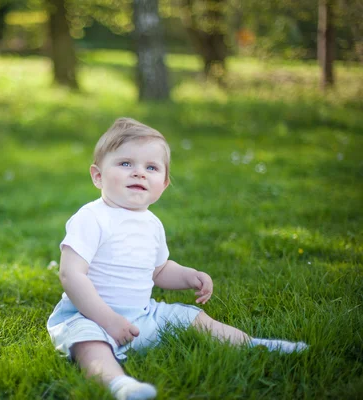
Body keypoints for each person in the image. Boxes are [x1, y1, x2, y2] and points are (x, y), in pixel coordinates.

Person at [46, 118, 308, 400]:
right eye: (125, 164)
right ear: (98, 176)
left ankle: (252, 344)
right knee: (88, 344)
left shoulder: (152, 224)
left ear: (164, 183)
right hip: (88, 315)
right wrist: (108, 319)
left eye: (151, 167)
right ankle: (120, 385)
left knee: (192, 317)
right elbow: (71, 274)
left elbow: (158, 270)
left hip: (143, 314)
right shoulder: (91, 218)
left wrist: (188, 276)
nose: (139, 173)